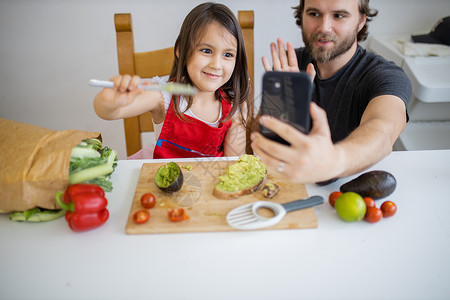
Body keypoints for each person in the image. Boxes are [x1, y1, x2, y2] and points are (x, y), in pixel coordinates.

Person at [252, 0, 411, 184]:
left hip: (349, 192)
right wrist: (285, 111)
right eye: (314, 14)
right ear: (302, 16)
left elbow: (383, 131)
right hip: (293, 187)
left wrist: (333, 160)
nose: (324, 27)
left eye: (339, 15)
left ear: (361, 21)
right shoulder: (290, 65)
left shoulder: (385, 76)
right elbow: (258, 137)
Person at [93, 2, 250, 159]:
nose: (216, 65)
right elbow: (108, 113)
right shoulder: (163, 97)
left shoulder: (234, 105)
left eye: (228, 54)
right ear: (181, 50)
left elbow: (233, 163)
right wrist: (109, 101)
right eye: (206, 51)